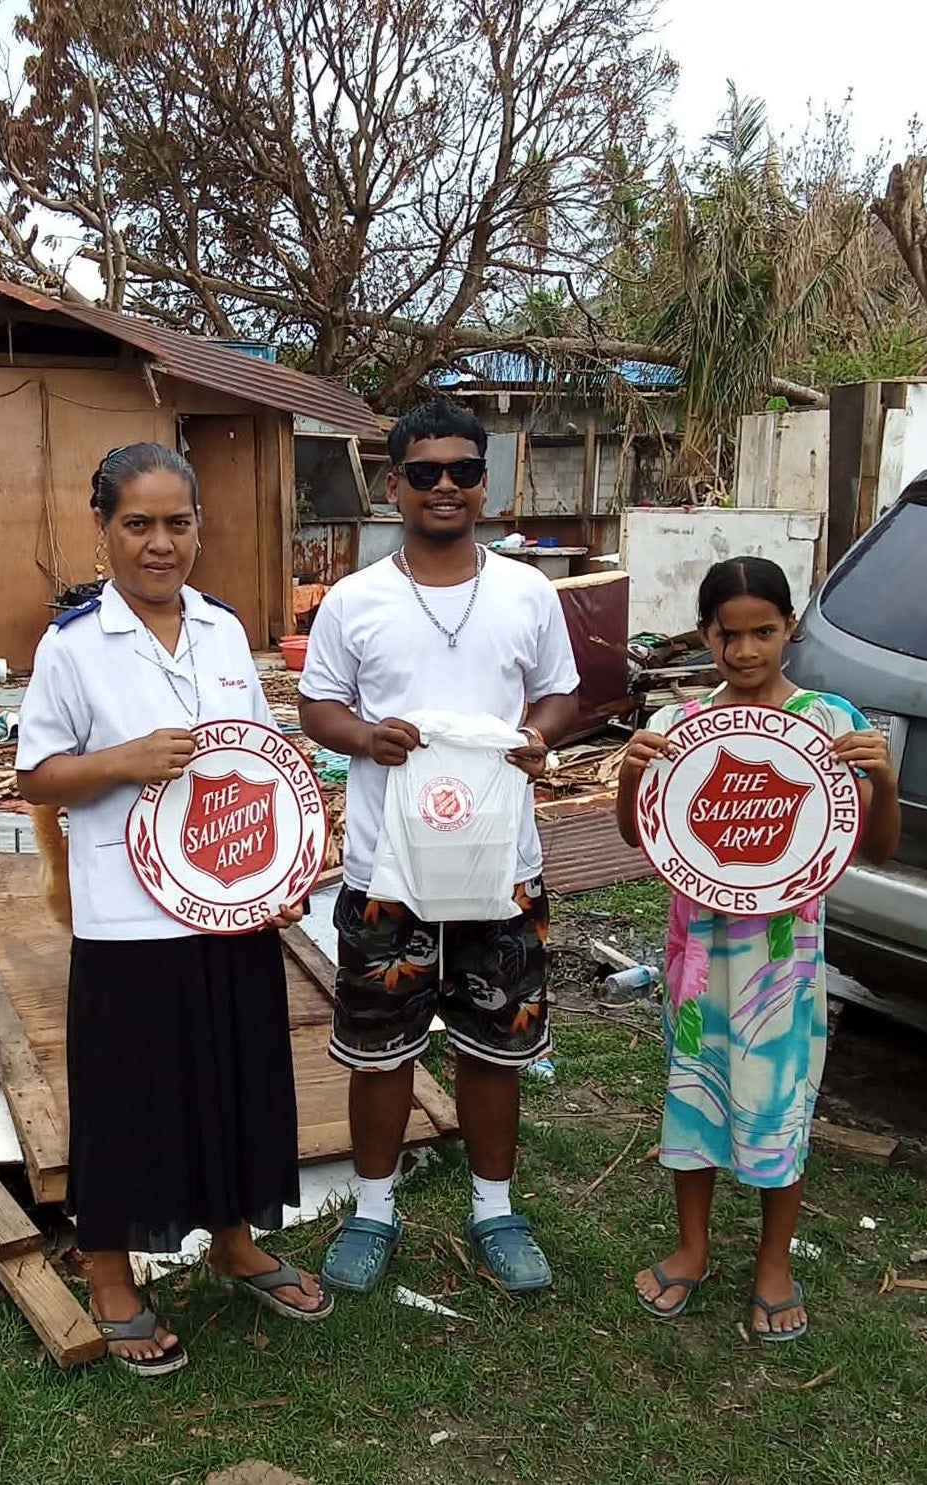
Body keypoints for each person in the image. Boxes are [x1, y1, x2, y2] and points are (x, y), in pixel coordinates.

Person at [15, 442, 332, 1378]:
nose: (161, 544)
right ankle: (110, 1272)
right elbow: (34, 772)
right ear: (103, 528)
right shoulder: (73, 645)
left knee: (234, 1079)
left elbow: (257, 759)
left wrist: (280, 872)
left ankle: (233, 1242)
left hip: (229, 906)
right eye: (138, 524)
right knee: (127, 1092)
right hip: (128, 914)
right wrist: (117, 760)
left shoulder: (223, 630)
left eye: (178, 523)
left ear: (200, 525)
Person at [298, 400, 580, 1295]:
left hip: (501, 869)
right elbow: (316, 705)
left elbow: (559, 696)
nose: (446, 486)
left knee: (495, 1045)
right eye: (425, 473)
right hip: (390, 871)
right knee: (379, 1049)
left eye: (462, 470)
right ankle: (373, 1211)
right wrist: (363, 738)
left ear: (485, 483)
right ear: (394, 486)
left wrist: (535, 736)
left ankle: (494, 1209)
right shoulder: (355, 599)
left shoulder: (528, 593)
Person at [616, 557, 900, 1340]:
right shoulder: (679, 727)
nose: (744, 651)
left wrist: (884, 777)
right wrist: (627, 780)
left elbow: (871, 851)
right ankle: (692, 1246)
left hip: (783, 962)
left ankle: (773, 1261)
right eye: (727, 634)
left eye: (762, 632)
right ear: (704, 633)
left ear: (789, 628)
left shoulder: (829, 721)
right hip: (698, 957)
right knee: (694, 1094)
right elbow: (647, 841)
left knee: (781, 1104)